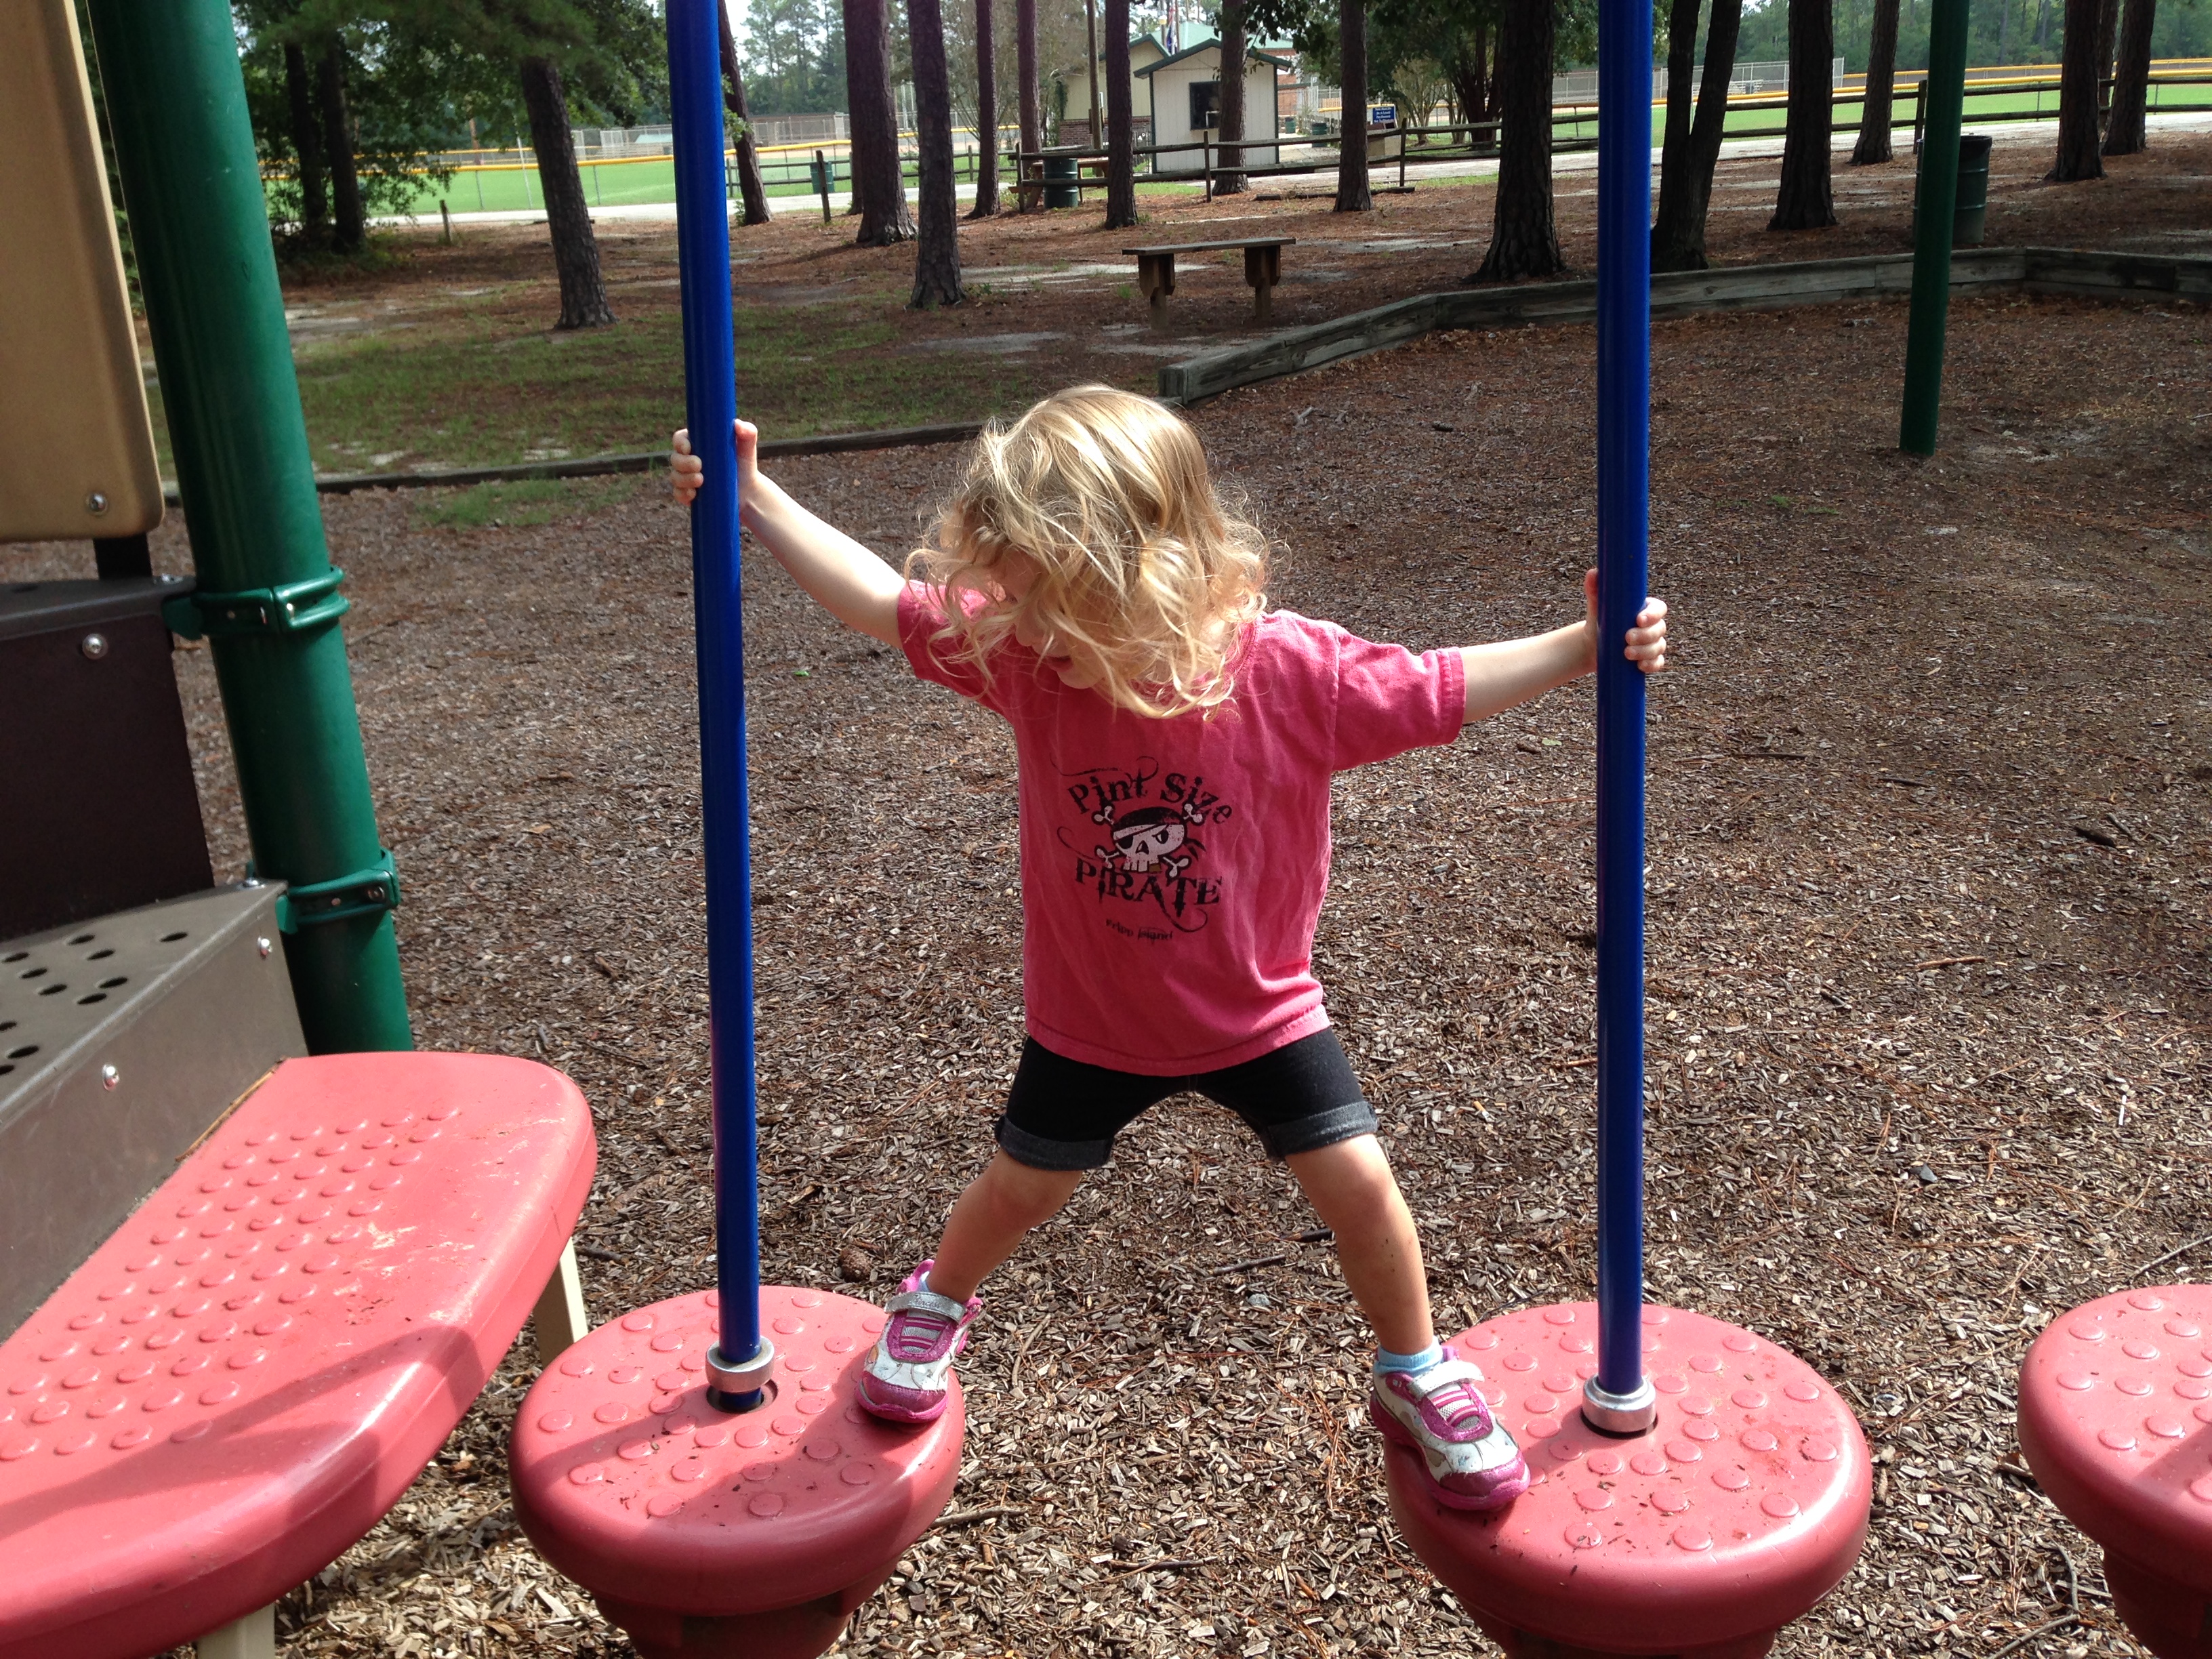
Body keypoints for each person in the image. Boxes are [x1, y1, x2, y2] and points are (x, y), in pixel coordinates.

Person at [669, 387, 1668, 1512]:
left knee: (1361, 1185)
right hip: (1093, 1019)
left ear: (1120, 573)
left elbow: (1439, 688)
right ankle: (939, 1299)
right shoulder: (1030, 660)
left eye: (1023, 584)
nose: (997, 604)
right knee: (1022, 1184)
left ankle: (1413, 1369)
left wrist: (1584, 646)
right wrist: (755, 495)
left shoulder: (1287, 673)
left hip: (1260, 1013)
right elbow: (879, 601)